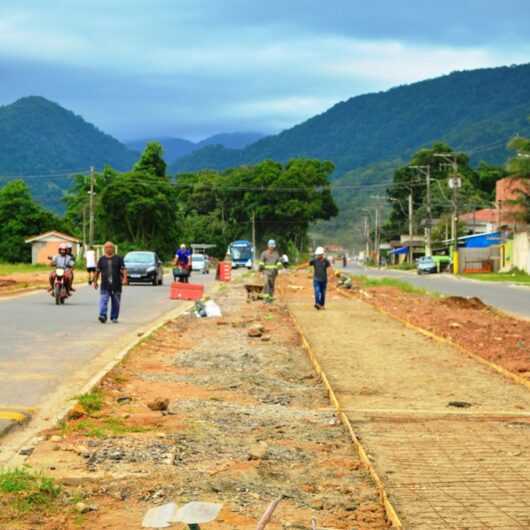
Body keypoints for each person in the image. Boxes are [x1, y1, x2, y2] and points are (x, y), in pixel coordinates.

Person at [93, 241, 127, 323]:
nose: (108, 249)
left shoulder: (119, 259)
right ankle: (102, 315)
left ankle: (114, 317)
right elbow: (97, 271)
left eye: (110, 247)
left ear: (113, 249)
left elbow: (123, 269)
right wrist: (95, 281)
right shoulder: (101, 259)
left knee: (116, 302)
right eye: (106, 247)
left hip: (116, 285)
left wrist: (125, 278)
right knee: (103, 300)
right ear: (104, 249)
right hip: (105, 285)